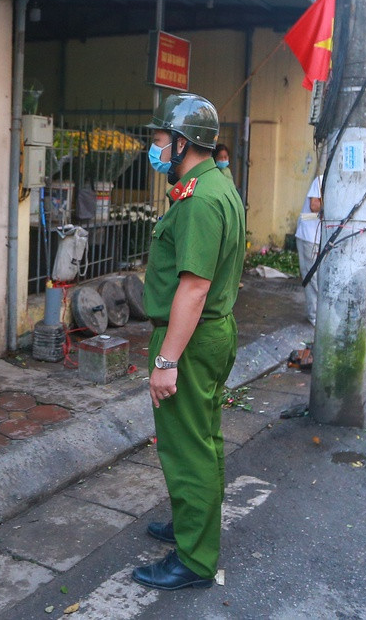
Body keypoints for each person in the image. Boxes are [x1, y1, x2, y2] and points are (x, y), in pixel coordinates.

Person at [132, 93, 246, 591]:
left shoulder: (199, 200)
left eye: (159, 140)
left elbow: (194, 286)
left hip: (192, 339)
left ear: (181, 142)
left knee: (186, 449)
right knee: (205, 437)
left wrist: (166, 359)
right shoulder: (215, 184)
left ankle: (195, 560)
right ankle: (191, 526)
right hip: (211, 334)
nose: (154, 149)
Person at [294, 174, 322, 326]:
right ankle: (315, 315)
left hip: (319, 236)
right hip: (309, 235)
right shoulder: (321, 180)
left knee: (317, 277)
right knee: (311, 277)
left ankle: (318, 314)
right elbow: (314, 206)